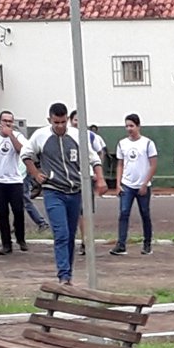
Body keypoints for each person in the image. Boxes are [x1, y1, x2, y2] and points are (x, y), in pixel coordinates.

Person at [22, 102, 107, 285]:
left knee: (70, 234)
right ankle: (63, 275)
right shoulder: (40, 136)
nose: (60, 126)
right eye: (56, 122)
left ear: (67, 120)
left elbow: (93, 158)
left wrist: (100, 179)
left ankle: (68, 272)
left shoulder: (77, 136)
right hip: (53, 191)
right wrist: (35, 174)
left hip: (74, 192)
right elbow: (26, 154)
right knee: (60, 233)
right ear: (49, 120)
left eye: (63, 122)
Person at [111, 114, 157, 256]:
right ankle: (121, 244)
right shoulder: (122, 143)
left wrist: (145, 183)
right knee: (124, 213)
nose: (129, 129)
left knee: (145, 214)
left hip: (142, 185)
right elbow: (120, 164)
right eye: (127, 126)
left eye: (131, 125)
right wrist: (118, 184)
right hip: (127, 184)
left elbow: (153, 164)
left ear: (138, 126)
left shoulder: (148, 143)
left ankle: (147, 243)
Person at [0, 111, 28, 255]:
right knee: (2, 213)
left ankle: (20, 238)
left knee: (18, 210)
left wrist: (11, 135)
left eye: (10, 121)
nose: (7, 123)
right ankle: (6, 243)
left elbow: (21, 150)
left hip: (15, 180)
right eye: (4, 121)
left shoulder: (18, 136)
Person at [69, 110, 106, 256]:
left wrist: (98, 172)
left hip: (87, 177)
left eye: (80, 120)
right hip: (71, 178)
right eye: (75, 120)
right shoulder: (65, 136)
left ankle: (86, 241)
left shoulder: (90, 136)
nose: (77, 123)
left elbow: (100, 151)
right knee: (75, 211)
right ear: (71, 121)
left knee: (86, 211)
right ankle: (80, 239)